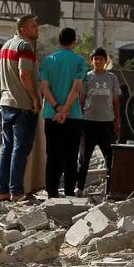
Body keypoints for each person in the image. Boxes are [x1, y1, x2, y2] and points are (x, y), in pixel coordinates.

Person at [40, 27, 89, 198]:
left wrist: (57, 108)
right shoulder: (79, 61)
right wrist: (66, 110)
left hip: (51, 115)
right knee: (71, 157)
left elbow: (44, 87)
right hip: (73, 116)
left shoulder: (48, 61)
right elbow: (76, 88)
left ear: (59, 41)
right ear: (74, 42)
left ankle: (52, 193)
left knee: (52, 156)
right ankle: (69, 194)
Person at [0, 15, 41, 202]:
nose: (37, 29)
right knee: (20, 148)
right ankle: (16, 191)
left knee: (7, 147)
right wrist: (34, 97)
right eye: (33, 26)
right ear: (23, 29)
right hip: (22, 105)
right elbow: (24, 74)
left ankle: (3, 191)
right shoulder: (25, 47)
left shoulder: (6, 46)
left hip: (6, 102)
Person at [78, 47, 121, 195]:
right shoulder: (87, 77)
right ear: (91, 61)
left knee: (110, 158)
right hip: (89, 122)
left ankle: (110, 189)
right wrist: (79, 116)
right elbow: (82, 98)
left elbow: (115, 100)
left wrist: (117, 120)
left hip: (106, 122)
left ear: (105, 61)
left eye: (100, 59)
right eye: (95, 59)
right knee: (84, 158)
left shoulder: (112, 78)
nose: (98, 61)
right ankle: (79, 187)